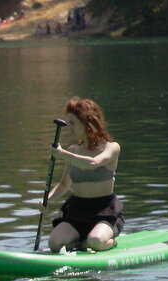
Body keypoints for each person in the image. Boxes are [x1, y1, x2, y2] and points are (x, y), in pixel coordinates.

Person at [41, 97, 123, 252]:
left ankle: (109, 241)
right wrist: (47, 199)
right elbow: (64, 184)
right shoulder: (72, 150)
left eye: (72, 123)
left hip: (104, 212)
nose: (68, 127)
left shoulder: (112, 148)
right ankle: (81, 241)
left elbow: (93, 163)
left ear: (88, 123)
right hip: (77, 210)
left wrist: (62, 154)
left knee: (96, 241)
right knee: (54, 244)